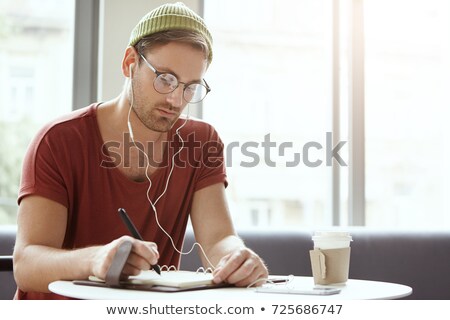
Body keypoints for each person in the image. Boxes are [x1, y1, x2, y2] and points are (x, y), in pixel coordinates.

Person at [13, 2, 268, 299]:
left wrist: (237, 258)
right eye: (165, 79)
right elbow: (26, 265)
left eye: (190, 87)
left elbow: (218, 240)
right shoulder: (57, 140)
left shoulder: (202, 142)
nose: (176, 99)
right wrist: (95, 260)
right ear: (129, 62)